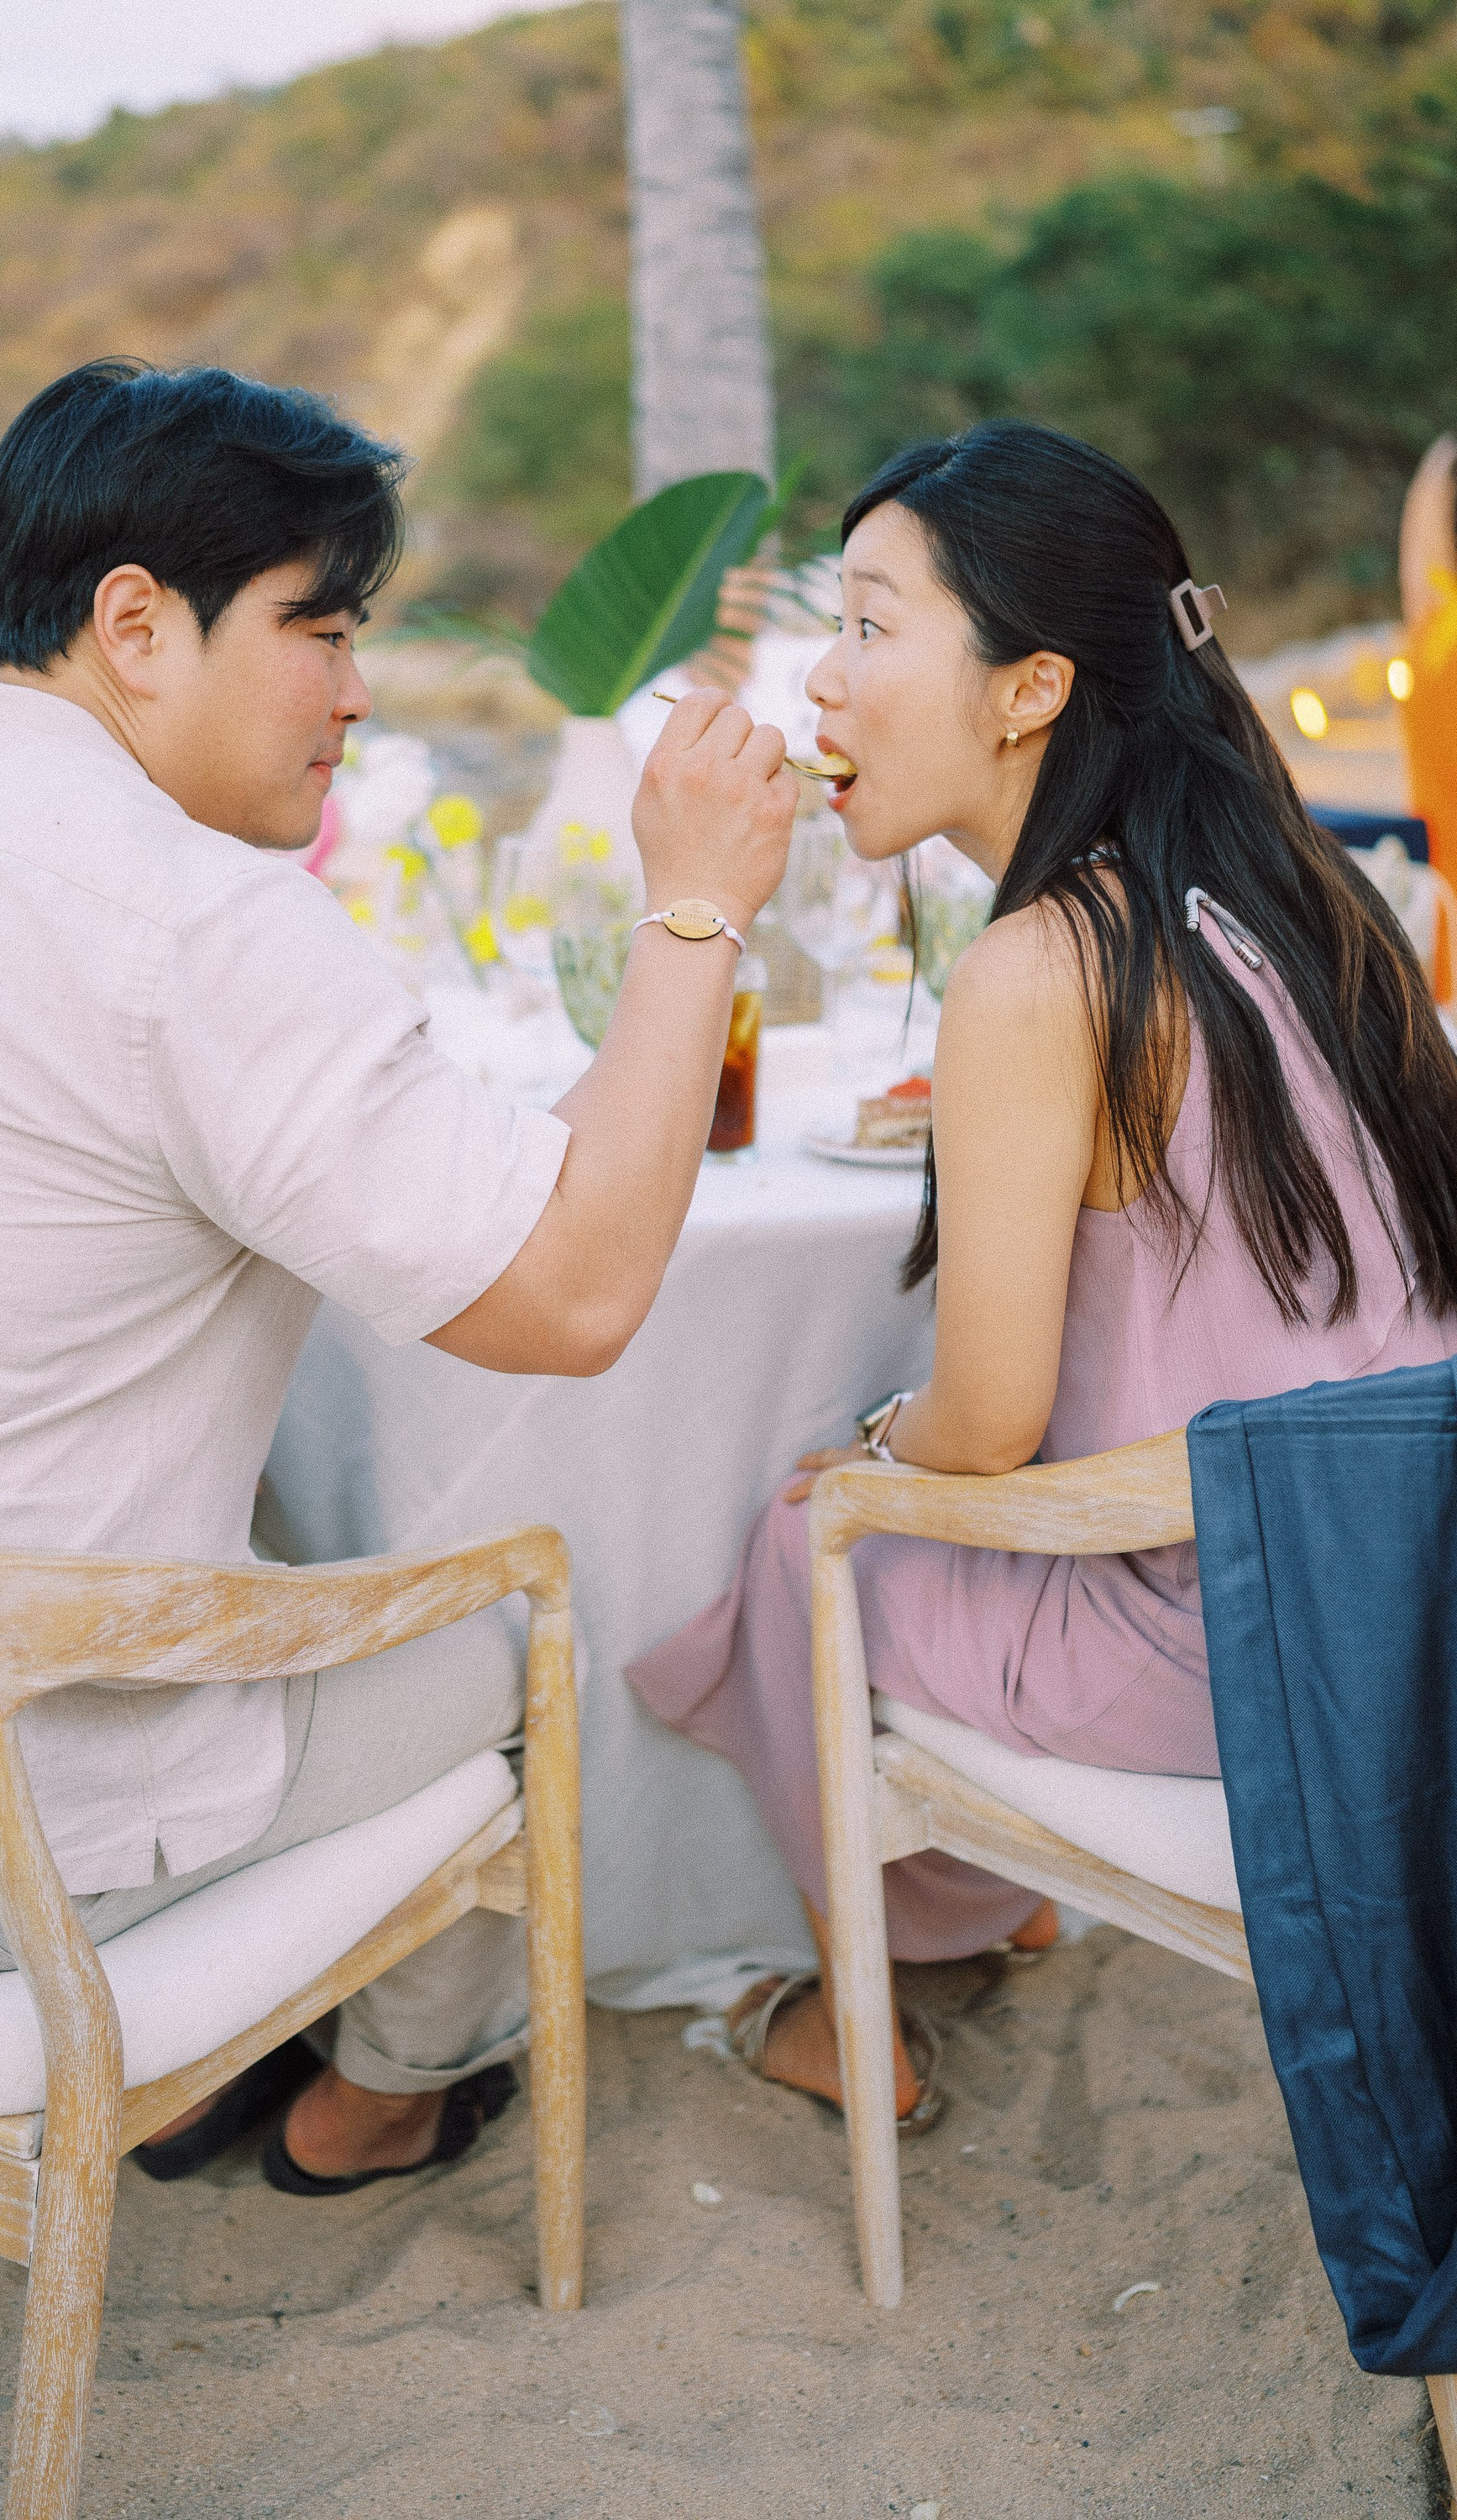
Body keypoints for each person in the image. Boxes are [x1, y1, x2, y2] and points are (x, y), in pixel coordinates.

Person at [0, 357, 794, 2193]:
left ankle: (250, 2056)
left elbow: (490, 1197)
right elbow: (569, 1304)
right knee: (511, 1634)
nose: (357, 686)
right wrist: (694, 902)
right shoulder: (186, 915)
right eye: (318, 627)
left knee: (274, 1528)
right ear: (135, 625)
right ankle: (382, 2097)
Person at [630, 418, 1457, 2128]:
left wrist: (865, 1450)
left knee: (797, 1534)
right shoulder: (1299, 900)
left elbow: (992, 1424)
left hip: (1242, 1638)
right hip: (1404, 1591)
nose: (819, 689)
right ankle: (973, 1911)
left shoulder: (1038, 965)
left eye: (867, 626)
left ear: (1028, 689)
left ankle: (871, 2000)